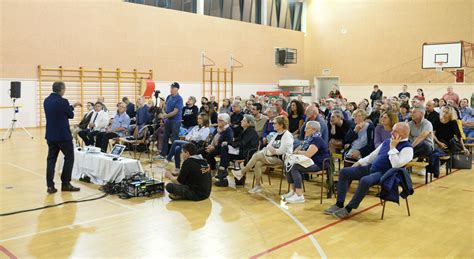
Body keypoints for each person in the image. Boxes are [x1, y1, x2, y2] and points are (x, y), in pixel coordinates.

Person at [324, 122, 413, 218]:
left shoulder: (407, 148)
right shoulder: (387, 141)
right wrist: (360, 162)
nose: (391, 132)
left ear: (403, 133)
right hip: (372, 168)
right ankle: (339, 203)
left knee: (365, 180)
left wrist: (392, 148)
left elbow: (396, 165)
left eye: (395, 131)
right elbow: (373, 155)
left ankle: (349, 208)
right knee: (344, 172)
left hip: (385, 174)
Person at [232, 116, 293, 194]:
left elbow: (283, 151)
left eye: (274, 123)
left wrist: (274, 151)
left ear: (281, 125)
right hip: (271, 156)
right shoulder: (277, 134)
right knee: (258, 163)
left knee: (258, 155)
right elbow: (268, 146)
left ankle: (241, 172)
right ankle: (258, 186)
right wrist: (272, 150)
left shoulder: (287, 135)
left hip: (282, 159)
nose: (272, 125)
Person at [43, 81, 82, 193]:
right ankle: (65, 183)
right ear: (62, 90)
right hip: (63, 136)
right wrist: (71, 108)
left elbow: (59, 112)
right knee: (69, 157)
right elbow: (70, 114)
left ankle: (50, 186)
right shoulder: (63, 101)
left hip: (50, 135)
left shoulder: (47, 100)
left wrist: (72, 106)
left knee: (51, 160)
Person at [281, 121, 330, 204]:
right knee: (288, 164)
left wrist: (298, 152)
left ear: (314, 130)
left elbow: (308, 154)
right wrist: (297, 152)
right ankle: (293, 191)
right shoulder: (309, 139)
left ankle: (299, 195)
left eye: (307, 128)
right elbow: (297, 150)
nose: (304, 130)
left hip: (318, 164)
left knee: (295, 167)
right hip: (309, 162)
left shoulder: (317, 139)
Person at [219, 114, 259, 187]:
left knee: (225, 150)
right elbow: (237, 140)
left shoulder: (251, 131)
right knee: (225, 151)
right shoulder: (245, 130)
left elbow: (242, 143)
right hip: (241, 151)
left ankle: (223, 173)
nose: (241, 121)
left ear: (248, 123)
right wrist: (228, 143)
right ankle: (225, 175)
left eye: (243, 120)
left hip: (246, 153)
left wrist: (229, 143)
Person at [200, 113, 233, 181]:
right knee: (201, 152)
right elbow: (211, 138)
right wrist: (210, 145)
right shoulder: (217, 129)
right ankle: (204, 169)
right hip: (214, 146)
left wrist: (214, 147)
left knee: (210, 154)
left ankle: (213, 169)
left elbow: (228, 142)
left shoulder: (228, 130)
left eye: (220, 120)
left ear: (225, 122)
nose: (218, 121)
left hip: (222, 149)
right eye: (218, 120)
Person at [158, 82, 184, 159]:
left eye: (172, 88)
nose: (171, 89)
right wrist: (162, 107)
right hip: (168, 120)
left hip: (175, 121)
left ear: (177, 89)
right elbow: (166, 108)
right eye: (171, 88)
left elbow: (175, 112)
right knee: (165, 137)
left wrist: (165, 115)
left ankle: (174, 155)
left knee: (174, 139)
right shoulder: (169, 97)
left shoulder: (179, 99)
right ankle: (163, 154)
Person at [408, 105, 434, 176]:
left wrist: (410, 148)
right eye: (411, 112)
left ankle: (405, 157)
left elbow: (421, 137)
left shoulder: (427, 123)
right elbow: (407, 137)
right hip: (414, 147)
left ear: (422, 114)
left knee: (423, 143)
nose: (411, 114)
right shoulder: (410, 124)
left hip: (426, 148)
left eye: (414, 112)